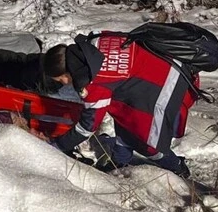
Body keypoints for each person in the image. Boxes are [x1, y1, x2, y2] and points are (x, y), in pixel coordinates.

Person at [43, 32, 197, 177]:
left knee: (148, 142)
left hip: (169, 88)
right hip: (170, 67)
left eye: (60, 80)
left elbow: (87, 126)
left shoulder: (95, 81)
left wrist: (59, 146)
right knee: (124, 117)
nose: (63, 84)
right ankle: (120, 160)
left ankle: (177, 166)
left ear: (67, 72)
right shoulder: (93, 43)